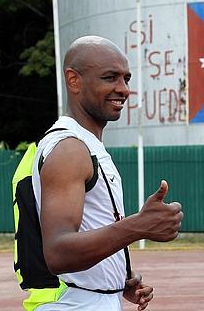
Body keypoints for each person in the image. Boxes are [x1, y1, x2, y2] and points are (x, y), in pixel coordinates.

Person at [32, 35, 183, 310]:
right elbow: (58, 252)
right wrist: (139, 225)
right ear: (73, 80)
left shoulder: (86, 145)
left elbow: (89, 231)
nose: (123, 89)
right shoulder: (70, 149)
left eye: (126, 79)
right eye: (110, 77)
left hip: (94, 300)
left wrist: (114, 281)